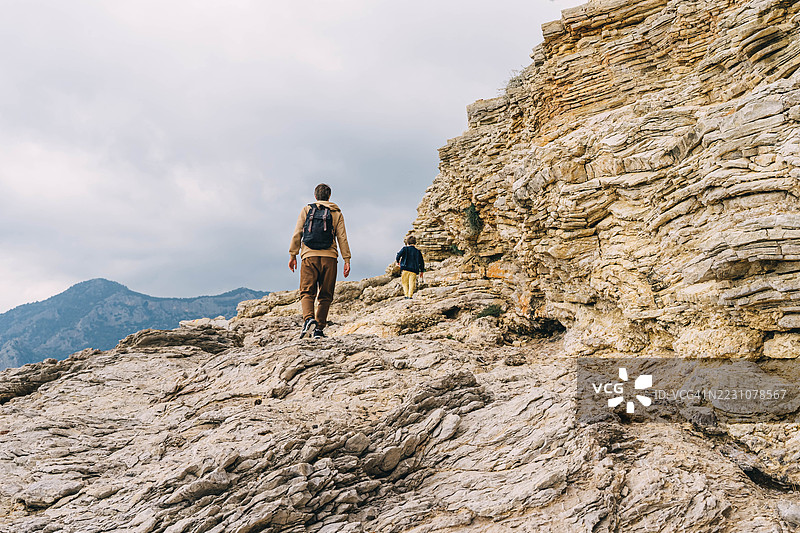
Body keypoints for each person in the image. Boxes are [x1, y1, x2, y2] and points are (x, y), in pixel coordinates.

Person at [289, 183, 351, 338]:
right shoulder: (336, 212)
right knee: (325, 294)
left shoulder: (307, 210)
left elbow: (297, 233)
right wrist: (347, 259)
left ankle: (309, 319)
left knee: (307, 291)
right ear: (329, 196)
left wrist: (293, 255)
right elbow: (342, 237)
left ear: (315, 196)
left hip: (309, 256)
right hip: (330, 258)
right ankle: (319, 329)